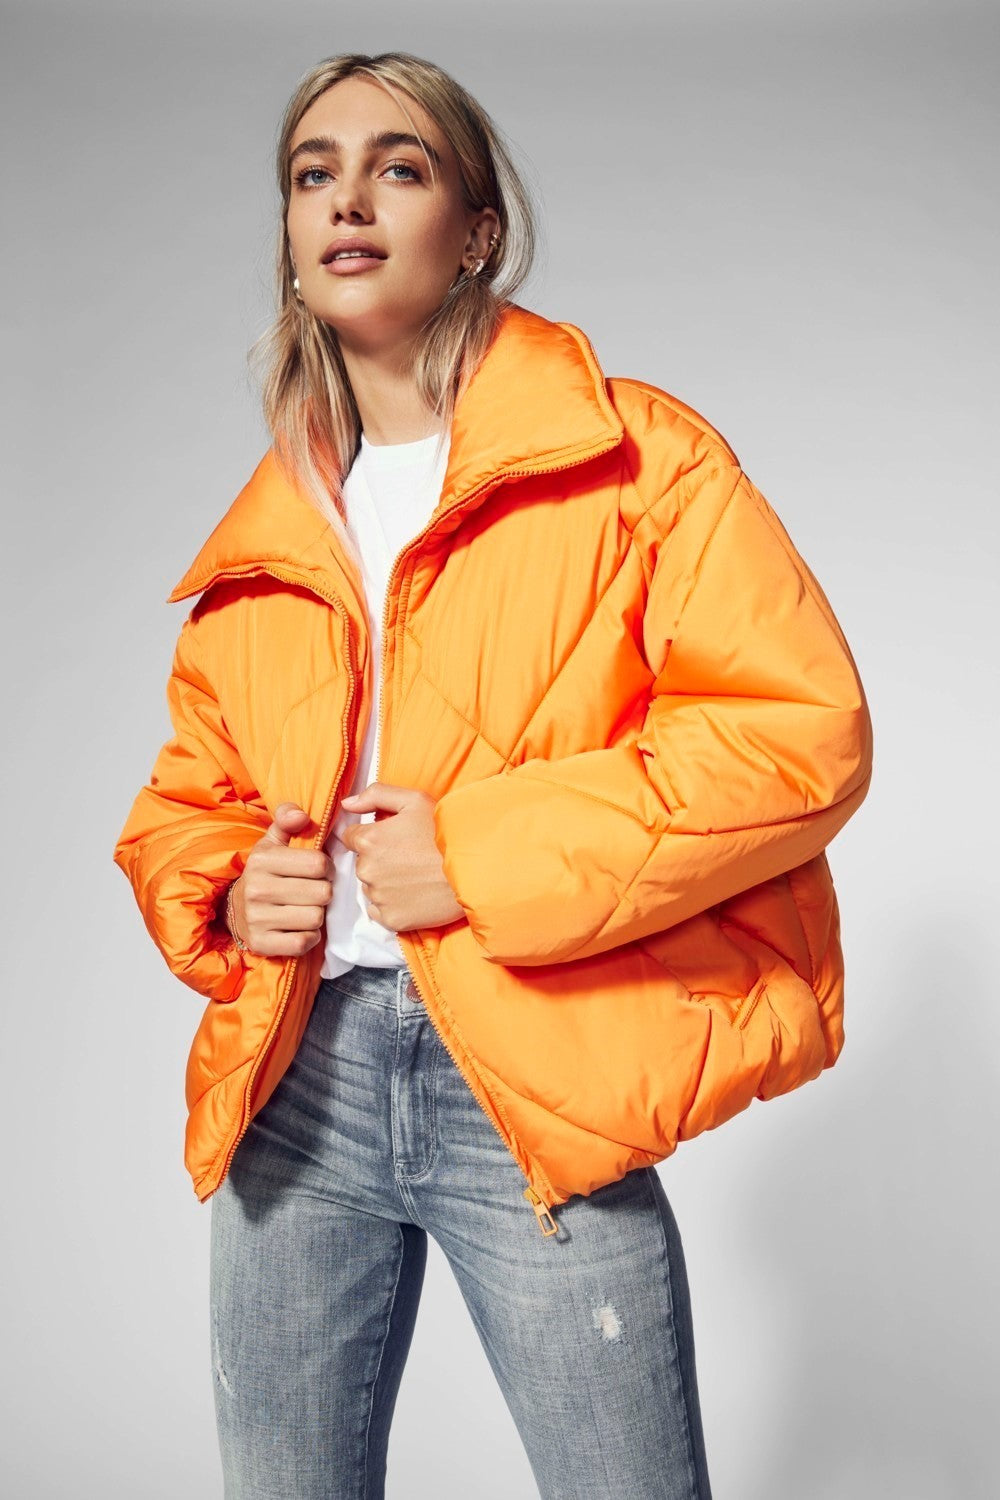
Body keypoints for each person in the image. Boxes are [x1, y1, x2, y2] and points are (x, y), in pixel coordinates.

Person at [112, 50, 873, 1500]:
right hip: (298, 1081)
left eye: (397, 167)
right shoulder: (272, 535)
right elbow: (187, 802)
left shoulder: (638, 461)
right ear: (290, 234)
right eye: (313, 174)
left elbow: (799, 734)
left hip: (530, 1070)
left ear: (476, 231)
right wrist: (228, 889)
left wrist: (477, 856)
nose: (347, 200)